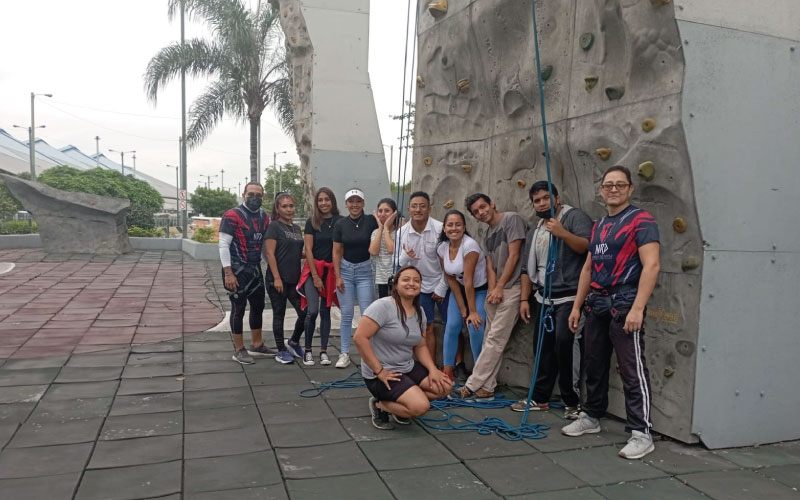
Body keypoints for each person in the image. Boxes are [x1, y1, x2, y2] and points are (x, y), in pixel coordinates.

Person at [562, 165, 660, 460]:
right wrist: (577, 306)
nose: (613, 189)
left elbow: (652, 265)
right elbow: (588, 268)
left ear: (630, 188)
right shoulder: (599, 225)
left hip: (625, 301)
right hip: (597, 302)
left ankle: (641, 433)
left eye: (620, 184)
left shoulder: (641, 221)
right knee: (594, 364)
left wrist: (637, 308)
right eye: (608, 185)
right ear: (601, 190)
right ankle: (591, 416)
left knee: (632, 369)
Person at [513, 181, 592, 420]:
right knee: (542, 348)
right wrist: (524, 299)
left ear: (557, 199)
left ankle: (572, 401)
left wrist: (563, 233)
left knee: (565, 345)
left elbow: (587, 247)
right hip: (543, 297)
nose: (541, 203)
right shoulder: (535, 230)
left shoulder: (574, 217)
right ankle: (541, 397)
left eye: (546, 198)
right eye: (537, 200)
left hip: (570, 296)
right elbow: (526, 268)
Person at [353, 266, 453, 430]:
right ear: (396, 284)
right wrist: (379, 371)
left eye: (416, 281)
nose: (411, 283)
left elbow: (420, 345)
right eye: (406, 279)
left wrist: (433, 369)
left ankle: (402, 403)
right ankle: (380, 405)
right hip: (383, 373)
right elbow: (359, 338)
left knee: (444, 387)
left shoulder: (419, 311)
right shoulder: (382, 307)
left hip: (406, 367)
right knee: (420, 406)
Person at [451, 193, 527, 400]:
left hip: (513, 286)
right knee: (489, 340)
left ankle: (471, 385)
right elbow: (490, 265)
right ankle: (487, 387)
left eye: (483, 207)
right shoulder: (487, 233)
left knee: (495, 339)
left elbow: (515, 255)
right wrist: (493, 289)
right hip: (496, 290)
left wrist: (501, 286)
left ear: (492, 203)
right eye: (476, 212)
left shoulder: (511, 220)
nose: (481, 213)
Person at [219, 182, 273, 365]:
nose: (255, 198)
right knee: (238, 309)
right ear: (244, 195)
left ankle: (257, 345)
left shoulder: (265, 217)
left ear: (263, 197)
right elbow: (223, 245)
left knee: (258, 306)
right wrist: (228, 273)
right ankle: (239, 349)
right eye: (251, 194)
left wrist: (271, 266)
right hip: (236, 270)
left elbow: (264, 246)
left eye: (259, 195)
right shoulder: (232, 216)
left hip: (255, 269)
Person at [436, 209, 488, 381]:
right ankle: (447, 374)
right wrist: (462, 308)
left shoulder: (470, 246)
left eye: (458, 224)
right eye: (450, 225)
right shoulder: (442, 248)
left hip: (479, 290)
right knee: (452, 326)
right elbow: (450, 278)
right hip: (459, 290)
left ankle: (480, 375)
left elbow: (469, 280)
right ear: (444, 228)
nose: (454, 228)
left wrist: (471, 311)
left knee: (475, 326)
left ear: (464, 227)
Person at [397, 191, 449, 362]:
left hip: (444, 282)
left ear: (429, 209)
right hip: (419, 287)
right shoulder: (402, 232)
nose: (418, 210)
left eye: (422, 206)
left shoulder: (441, 229)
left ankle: (457, 365)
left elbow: (451, 260)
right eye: (414, 206)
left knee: (452, 326)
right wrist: (406, 256)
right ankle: (430, 366)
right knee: (427, 327)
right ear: (409, 209)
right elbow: (398, 263)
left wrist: (442, 286)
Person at [332, 188, 379, 368]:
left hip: (365, 270)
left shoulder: (371, 221)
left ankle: (368, 355)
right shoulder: (341, 224)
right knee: (346, 314)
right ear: (346, 204)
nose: (355, 205)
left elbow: (396, 222)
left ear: (363, 203)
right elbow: (337, 251)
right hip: (345, 270)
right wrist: (338, 276)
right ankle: (344, 353)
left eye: (358, 201)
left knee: (368, 314)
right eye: (351, 201)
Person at [297, 187, 342, 366]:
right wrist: (315, 276)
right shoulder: (312, 222)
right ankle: (308, 350)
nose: (324, 203)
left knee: (325, 311)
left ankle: (323, 351)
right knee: (312, 310)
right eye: (320, 200)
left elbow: (341, 248)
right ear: (316, 203)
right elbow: (308, 249)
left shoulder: (340, 221)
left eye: (327, 199)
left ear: (332, 201)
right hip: (313, 270)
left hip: (331, 271)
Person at [265, 192, 307, 364]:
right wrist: (276, 278)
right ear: (277, 209)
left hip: (294, 279)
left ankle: (294, 342)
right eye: (284, 206)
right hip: (278, 280)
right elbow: (270, 253)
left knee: (306, 313)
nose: (289, 209)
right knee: (279, 314)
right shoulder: (274, 227)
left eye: (291, 206)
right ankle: (281, 350)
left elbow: (297, 252)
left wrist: (314, 256)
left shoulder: (296, 229)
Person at [369, 198, 398, 298]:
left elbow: (391, 249)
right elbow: (373, 251)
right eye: (380, 211)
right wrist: (381, 228)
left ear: (394, 213)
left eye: (387, 211)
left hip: (396, 277)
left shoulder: (400, 231)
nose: (382, 214)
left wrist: (386, 228)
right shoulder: (375, 232)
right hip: (381, 278)